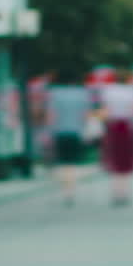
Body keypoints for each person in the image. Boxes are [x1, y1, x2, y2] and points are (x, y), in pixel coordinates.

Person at [46, 74, 92, 207]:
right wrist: (86, 131)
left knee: (62, 163)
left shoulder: (55, 94)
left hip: (60, 132)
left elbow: (51, 115)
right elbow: (85, 115)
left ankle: (65, 190)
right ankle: (71, 191)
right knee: (72, 163)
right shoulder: (82, 95)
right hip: (76, 132)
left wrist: (49, 132)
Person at [99, 72, 133, 206]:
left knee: (114, 160)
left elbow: (105, 112)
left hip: (113, 127)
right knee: (126, 161)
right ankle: (125, 192)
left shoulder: (108, 91)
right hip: (128, 127)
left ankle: (116, 192)